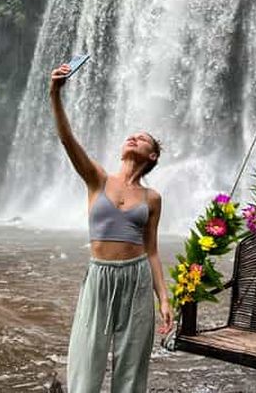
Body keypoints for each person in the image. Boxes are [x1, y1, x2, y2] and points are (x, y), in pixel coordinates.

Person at [49, 62, 175, 393]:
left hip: (136, 278)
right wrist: (55, 93)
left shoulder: (152, 197)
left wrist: (164, 298)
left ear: (152, 156)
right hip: (99, 276)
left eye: (144, 139)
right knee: (85, 362)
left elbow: (152, 250)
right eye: (131, 135)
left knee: (131, 368)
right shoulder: (97, 179)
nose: (134, 137)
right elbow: (67, 140)